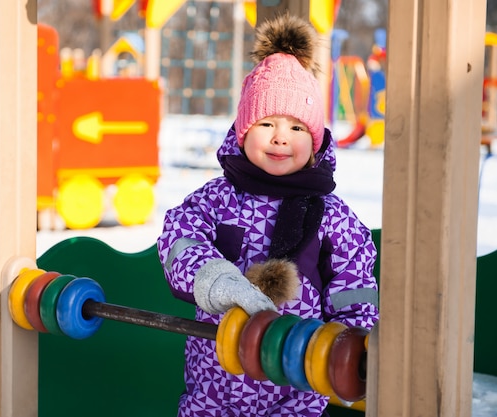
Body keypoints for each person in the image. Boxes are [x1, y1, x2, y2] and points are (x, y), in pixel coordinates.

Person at [157, 13, 379, 417]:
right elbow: (179, 239)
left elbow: (355, 290)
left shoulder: (335, 220)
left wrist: (355, 349)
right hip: (213, 388)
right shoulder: (216, 200)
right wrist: (214, 279)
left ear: (315, 142)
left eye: (297, 128)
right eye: (267, 122)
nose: (281, 136)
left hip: (297, 392)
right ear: (243, 130)